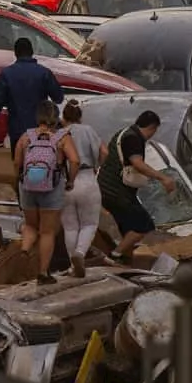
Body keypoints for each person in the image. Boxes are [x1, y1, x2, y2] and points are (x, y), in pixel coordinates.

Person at [15, 100, 80, 285]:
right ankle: (43, 273)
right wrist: (70, 181)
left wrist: (19, 180)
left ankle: (25, 249)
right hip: (52, 187)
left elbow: (16, 163)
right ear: (55, 117)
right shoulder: (62, 137)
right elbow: (75, 161)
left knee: (30, 225)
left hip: (27, 186)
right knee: (47, 232)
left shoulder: (26, 136)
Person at [97, 110, 175, 262]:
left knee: (127, 227)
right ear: (152, 127)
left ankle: (125, 259)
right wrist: (163, 178)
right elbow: (138, 163)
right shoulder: (133, 139)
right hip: (117, 192)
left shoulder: (124, 133)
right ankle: (115, 255)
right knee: (144, 225)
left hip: (107, 190)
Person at [0, 37, 64, 159]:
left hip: (17, 129)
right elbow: (58, 98)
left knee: (19, 164)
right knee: (40, 163)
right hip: (41, 129)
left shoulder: (7, 74)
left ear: (15, 53)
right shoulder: (44, 73)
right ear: (32, 52)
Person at [59, 99, 104, 277]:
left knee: (70, 227)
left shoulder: (61, 133)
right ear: (80, 116)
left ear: (64, 117)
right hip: (87, 178)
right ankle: (80, 253)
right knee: (89, 223)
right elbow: (105, 152)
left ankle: (72, 265)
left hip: (66, 181)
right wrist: (97, 166)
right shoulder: (89, 130)